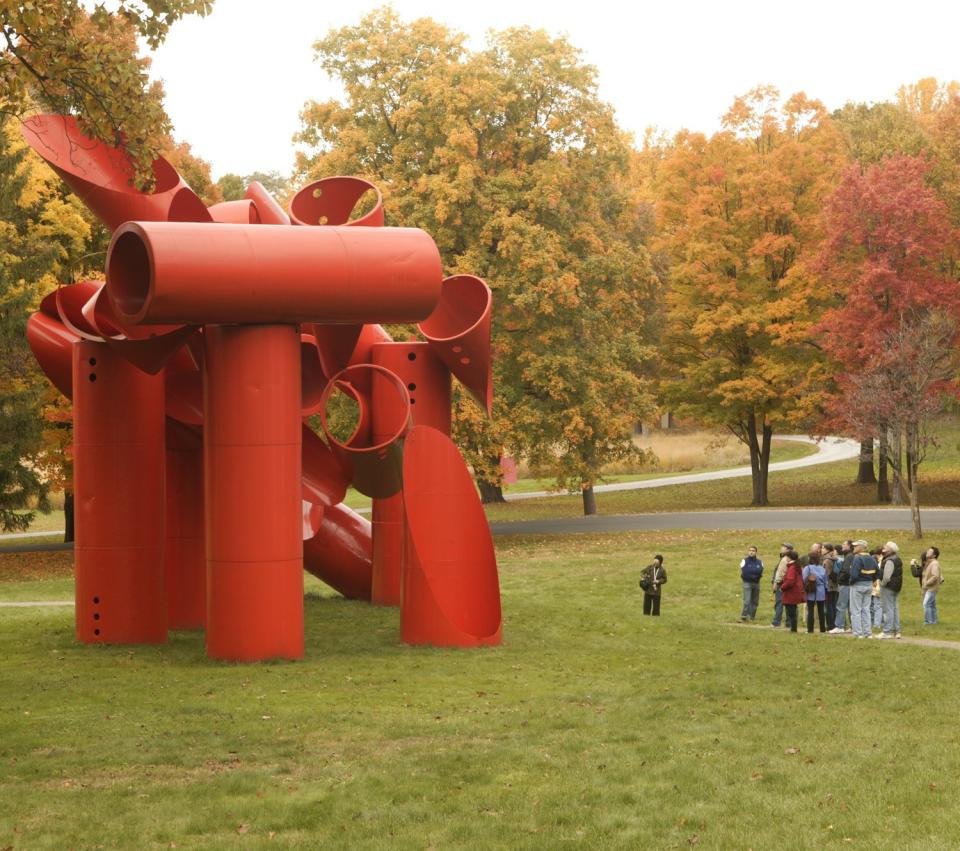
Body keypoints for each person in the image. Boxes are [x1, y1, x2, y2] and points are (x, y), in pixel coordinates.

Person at [849, 540, 879, 639]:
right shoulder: (872, 558)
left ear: (861, 547)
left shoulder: (857, 558)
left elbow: (854, 574)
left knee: (856, 610)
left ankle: (858, 633)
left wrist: (851, 583)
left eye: (856, 546)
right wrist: (873, 580)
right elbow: (878, 572)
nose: (854, 547)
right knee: (866, 610)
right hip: (868, 585)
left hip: (857, 585)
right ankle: (868, 633)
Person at [877, 540, 903, 640]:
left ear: (889, 550)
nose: (884, 547)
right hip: (896, 587)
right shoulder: (897, 558)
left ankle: (887, 631)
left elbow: (886, 577)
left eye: (886, 546)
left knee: (888, 610)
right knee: (895, 609)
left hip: (888, 587)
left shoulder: (889, 560)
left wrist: (882, 584)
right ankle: (897, 631)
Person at [829, 540, 854, 634]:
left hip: (845, 584)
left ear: (849, 546)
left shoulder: (849, 556)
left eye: (844, 544)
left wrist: (840, 579)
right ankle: (853, 626)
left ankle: (839, 626)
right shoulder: (850, 556)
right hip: (850, 584)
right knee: (850, 606)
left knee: (841, 605)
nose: (842, 546)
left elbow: (846, 571)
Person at [779, 549, 805, 633]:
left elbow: (790, 581)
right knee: (793, 611)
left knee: (791, 612)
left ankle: (793, 629)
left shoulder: (792, 567)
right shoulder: (796, 566)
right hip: (795, 592)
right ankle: (794, 628)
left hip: (791, 593)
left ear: (789, 558)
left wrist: (782, 587)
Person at [803, 556, 828, 633]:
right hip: (821, 591)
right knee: (821, 611)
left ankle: (810, 629)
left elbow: (803, 578)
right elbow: (825, 581)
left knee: (810, 610)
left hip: (811, 590)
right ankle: (822, 629)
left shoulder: (808, 568)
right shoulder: (822, 569)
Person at [770, 543, 792, 628]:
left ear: (788, 550)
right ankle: (789, 622)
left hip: (781, 584)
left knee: (779, 602)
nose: (781, 548)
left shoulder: (784, 559)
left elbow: (780, 572)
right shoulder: (789, 558)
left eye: (783, 547)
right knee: (788, 603)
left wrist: (775, 583)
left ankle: (776, 622)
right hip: (787, 584)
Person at [739, 546, 763, 622]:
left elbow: (760, 572)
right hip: (747, 583)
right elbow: (745, 572)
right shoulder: (744, 561)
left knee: (755, 601)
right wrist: (753, 576)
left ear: (756, 552)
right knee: (747, 600)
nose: (751, 552)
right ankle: (744, 616)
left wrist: (755, 577)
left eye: (753, 550)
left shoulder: (760, 562)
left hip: (756, 583)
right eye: (750, 550)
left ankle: (752, 617)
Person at [921, 546, 943, 625]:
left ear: (934, 555)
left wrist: (927, 583)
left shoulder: (934, 564)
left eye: (929, 551)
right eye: (928, 551)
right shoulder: (930, 562)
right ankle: (934, 622)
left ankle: (928, 622)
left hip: (931, 588)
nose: (927, 552)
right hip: (929, 588)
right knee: (932, 605)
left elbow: (935, 576)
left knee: (926, 604)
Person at [822, 543, 839, 629]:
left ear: (827, 550)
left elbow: (826, 574)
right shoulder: (835, 559)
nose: (821, 550)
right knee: (833, 605)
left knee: (829, 606)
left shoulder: (826, 560)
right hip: (835, 585)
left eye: (823, 548)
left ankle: (830, 625)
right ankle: (835, 623)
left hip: (828, 586)